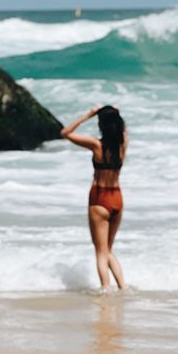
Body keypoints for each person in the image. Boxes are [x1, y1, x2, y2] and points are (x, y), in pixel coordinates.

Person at [61, 104, 127, 290]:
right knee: (108, 250)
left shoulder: (97, 145)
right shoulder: (123, 144)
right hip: (117, 198)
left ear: (101, 125)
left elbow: (65, 133)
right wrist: (116, 113)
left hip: (99, 198)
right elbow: (122, 129)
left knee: (100, 251)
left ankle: (106, 289)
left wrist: (88, 115)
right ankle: (123, 287)